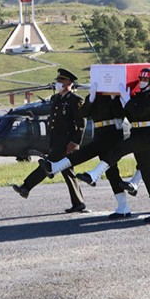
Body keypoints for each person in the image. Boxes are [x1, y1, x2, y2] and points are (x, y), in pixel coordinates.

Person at [77, 68, 150, 222]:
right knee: (146, 171)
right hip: (137, 133)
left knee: (119, 148)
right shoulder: (138, 96)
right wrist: (122, 100)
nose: (143, 82)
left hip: (148, 135)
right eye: (142, 79)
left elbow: (139, 112)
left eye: (146, 80)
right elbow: (131, 117)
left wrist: (127, 100)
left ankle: (94, 174)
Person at [38, 79, 130, 218]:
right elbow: (83, 113)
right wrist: (91, 99)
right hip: (99, 133)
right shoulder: (94, 96)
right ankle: (55, 167)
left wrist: (116, 97)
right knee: (104, 167)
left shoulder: (116, 97)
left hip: (112, 133)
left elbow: (122, 114)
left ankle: (123, 206)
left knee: (107, 168)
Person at [11, 68, 88, 213]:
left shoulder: (75, 101)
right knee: (67, 171)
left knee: (48, 165)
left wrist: (75, 142)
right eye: (58, 80)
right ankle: (79, 203)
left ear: (68, 83)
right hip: (56, 142)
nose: (58, 83)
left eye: (61, 80)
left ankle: (26, 187)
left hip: (67, 144)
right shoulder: (55, 99)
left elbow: (80, 124)